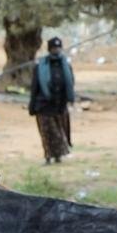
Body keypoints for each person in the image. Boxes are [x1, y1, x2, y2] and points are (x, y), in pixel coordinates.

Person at [28, 36, 74, 164]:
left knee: (59, 133)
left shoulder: (66, 65)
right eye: (53, 48)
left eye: (58, 48)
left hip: (60, 105)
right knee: (47, 133)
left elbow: (70, 83)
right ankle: (48, 157)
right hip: (43, 105)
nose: (56, 50)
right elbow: (34, 87)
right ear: (49, 49)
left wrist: (69, 99)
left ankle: (58, 155)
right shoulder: (41, 66)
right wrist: (32, 106)